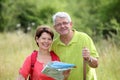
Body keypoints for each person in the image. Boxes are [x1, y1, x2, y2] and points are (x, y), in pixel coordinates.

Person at [51, 12, 99, 80]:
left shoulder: (84, 38)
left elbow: (96, 64)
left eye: (65, 23)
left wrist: (89, 58)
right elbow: (55, 71)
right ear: (55, 28)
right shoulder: (54, 45)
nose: (62, 26)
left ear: (71, 24)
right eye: (58, 24)